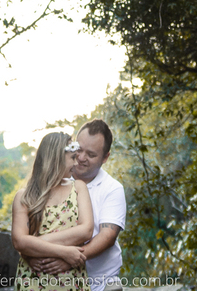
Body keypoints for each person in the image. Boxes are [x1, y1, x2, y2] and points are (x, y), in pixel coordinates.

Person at [24, 120, 126, 290]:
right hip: (53, 279)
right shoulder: (56, 180)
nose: (81, 157)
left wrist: (69, 260)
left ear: (105, 157)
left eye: (91, 154)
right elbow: (28, 230)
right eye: (78, 149)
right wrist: (29, 253)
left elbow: (107, 237)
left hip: (98, 280)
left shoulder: (112, 189)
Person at [11, 131, 94, 290]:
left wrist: (30, 248)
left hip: (71, 281)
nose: (76, 163)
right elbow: (19, 241)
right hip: (33, 282)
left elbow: (86, 230)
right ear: (56, 159)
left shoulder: (78, 188)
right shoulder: (24, 197)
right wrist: (64, 252)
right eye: (72, 158)